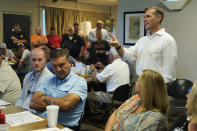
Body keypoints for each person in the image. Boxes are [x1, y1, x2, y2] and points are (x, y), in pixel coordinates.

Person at [110, 6, 177, 84]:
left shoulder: (168, 40)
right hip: (140, 83)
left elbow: (168, 75)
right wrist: (118, 46)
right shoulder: (142, 41)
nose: (144, 19)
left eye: (148, 16)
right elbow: (127, 56)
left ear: (158, 18)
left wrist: (159, 92)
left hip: (156, 86)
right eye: (144, 17)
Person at [30, 48, 87, 128]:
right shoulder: (48, 79)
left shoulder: (79, 82)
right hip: (44, 123)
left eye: (61, 65)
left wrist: (44, 98)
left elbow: (65, 105)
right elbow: (33, 103)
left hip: (64, 127)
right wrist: (57, 105)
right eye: (54, 66)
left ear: (70, 63)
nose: (58, 69)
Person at [87, 48, 130, 114]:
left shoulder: (111, 66)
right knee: (100, 88)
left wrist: (93, 70)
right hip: (124, 95)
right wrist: (104, 67)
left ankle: (97, 113)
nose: (108, 57)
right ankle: (103, 110)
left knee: (88, 95)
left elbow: (96, 80)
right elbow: (113, 73)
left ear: (111, 56)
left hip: (113, 96)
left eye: (109, 55)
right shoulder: (125, 64)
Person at [15, 48, 52, 113]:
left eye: (40, 60)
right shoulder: (27, 76)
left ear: (45, 60)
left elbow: (39, 106)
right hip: (22, 113)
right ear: (30, 61)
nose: (36, 63)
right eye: (34, 60)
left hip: (37, 115)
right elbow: (21, 97)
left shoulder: (49, 78)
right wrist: (16, 111)